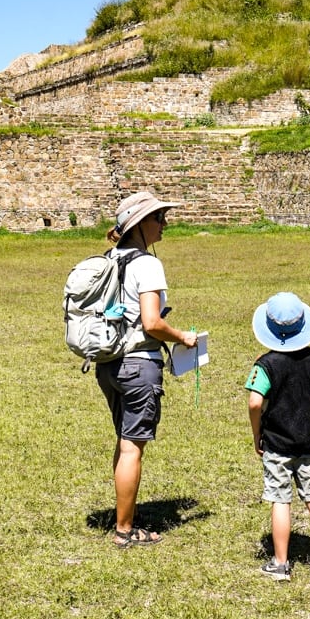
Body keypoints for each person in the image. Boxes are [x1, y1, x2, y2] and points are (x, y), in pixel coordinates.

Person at [95, 191, 198, 548]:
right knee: (132, 447)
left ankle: (124, 514)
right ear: (140, 224)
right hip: (139, 364)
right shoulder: (148, 264)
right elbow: (152, 322)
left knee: (125, 443)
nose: (164, 224)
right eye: (159, 218)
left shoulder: (110, 258)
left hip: (108, 364)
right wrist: (182, 337)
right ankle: (125, 530)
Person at [246, 292, 310, 581]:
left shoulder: (264, 363)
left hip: (277, 445)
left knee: (281, 501)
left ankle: (280, 563)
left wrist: (257, 434)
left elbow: (254, 402)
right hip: (309, 443)